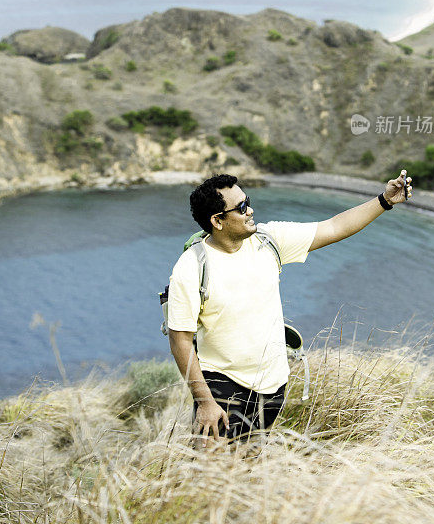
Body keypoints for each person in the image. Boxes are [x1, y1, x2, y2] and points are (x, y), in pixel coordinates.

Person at [168, 171, 412, 445]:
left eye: (247, 201)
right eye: (241, 208)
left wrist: (384, 201)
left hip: (273, 384)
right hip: (222, 385)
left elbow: (334, 227)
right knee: (210, 473)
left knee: (250, 467)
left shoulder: (269, 240)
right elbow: (180, 340)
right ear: (218, 221)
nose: (251, 210)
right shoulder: (191, 267)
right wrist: (205, 401)